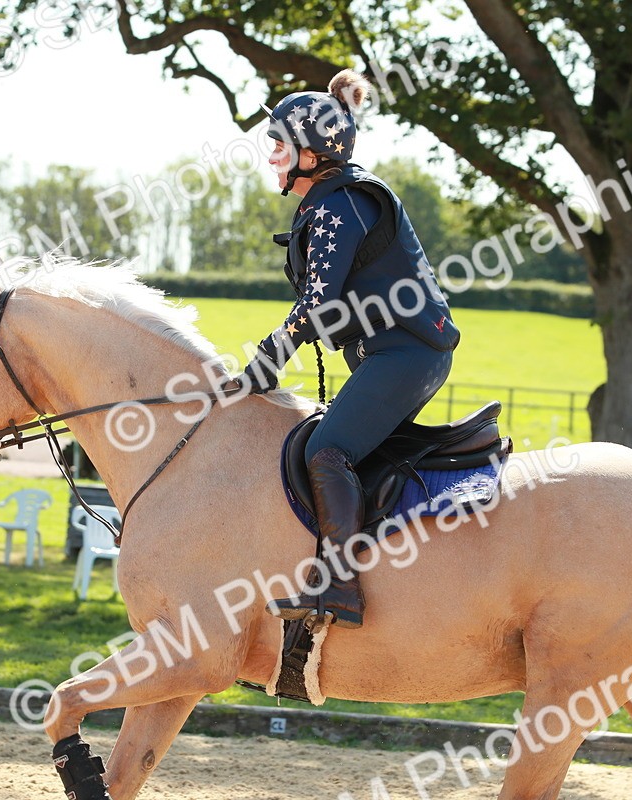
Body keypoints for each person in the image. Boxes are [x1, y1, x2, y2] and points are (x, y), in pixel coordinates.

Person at [239, 70, 461, 630]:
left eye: (280, 145)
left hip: (405, 354)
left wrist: (268, 358)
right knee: (339, 447)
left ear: (312, 154)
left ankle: (340, 587)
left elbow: (318, 302)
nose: (272, 156)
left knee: (326, 450)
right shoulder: (332, 201)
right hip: (395, 353)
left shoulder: (342, 205)